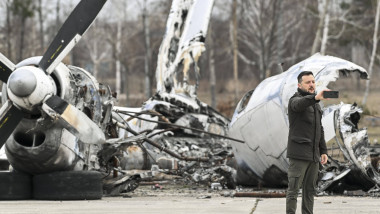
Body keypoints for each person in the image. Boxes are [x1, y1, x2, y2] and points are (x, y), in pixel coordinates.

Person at [286, 71, 329, 214]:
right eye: (307, 82)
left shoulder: (316, 104)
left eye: (313, 82)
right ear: (299, 85)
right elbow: (299, 105)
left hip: (313, 155)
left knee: (310, 191)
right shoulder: (295, 100)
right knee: (293, 191)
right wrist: (315, 97)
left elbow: (319, 128)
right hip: (299, 155)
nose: (311, 85)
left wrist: (323, 151)